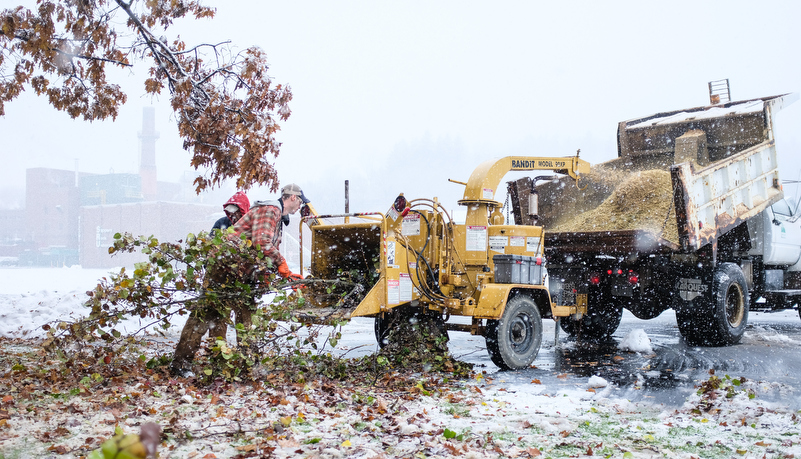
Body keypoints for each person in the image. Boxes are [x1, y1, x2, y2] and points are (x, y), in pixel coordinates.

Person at [170, 184, 310, 377]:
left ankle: (248, 365)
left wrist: (274, 275)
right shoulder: (271, 209)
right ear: (293, 197)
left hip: (241, 273)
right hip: (225, 268)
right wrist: (282, 264)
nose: (299, 206)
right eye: (300, 201)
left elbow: (258, 249)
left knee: (246, 317)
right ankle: (179, 366)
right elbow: (262, 243)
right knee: (204, 316)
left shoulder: (273, 213)